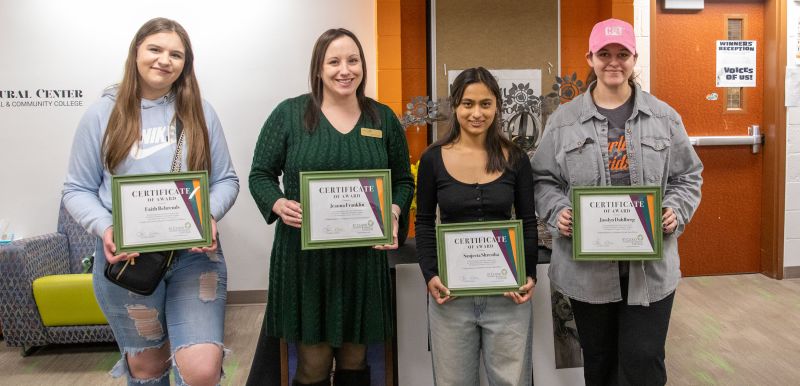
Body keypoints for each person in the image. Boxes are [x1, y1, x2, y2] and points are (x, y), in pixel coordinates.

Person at [62, 17, 239, 386]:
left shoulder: (200, 112)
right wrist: (106, 228)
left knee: (203, 370)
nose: (165, 60)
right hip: (129, 264)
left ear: (185, 64)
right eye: (155, 49)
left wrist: (207, 214)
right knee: (148, 368)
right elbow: (76, 189)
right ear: (136, 53)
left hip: (195, 259)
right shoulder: (101, 114)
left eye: (176, 54)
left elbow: (225, 180)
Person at [532, 18, 703, 386]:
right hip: (587, 271)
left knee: (644, 360)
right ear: (590, 57)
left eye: (622, 53)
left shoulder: (663, 117)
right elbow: (542, 179)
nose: (614, 61)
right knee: (600, 360)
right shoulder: (565, 121)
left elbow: (688, 176)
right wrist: (557, 212)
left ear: (634, 57)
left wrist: (676, 209)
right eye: (604, 53)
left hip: (651, 270)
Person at [248, 28, 414, 386]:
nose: (345, 70)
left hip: (362, 260)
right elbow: (260, 174)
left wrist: (396, 211)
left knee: (356, 360)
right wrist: (276, 202)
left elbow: (403, 181)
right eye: (334, 61)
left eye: (352, 60)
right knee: (312, 363)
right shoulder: (289, 115)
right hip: (305, 261)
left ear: (362, 65)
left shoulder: (382, 119)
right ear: (319, 68)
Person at [415, 67, 538, 386]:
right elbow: (425, 222)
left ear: (497, 106)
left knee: (513, 381)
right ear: (454, 106)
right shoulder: (432, 159)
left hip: (508, 296)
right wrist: (430, 275)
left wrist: (528, 274)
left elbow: (527, 221)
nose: (476, 112)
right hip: (451, 296)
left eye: (485, 103)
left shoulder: (516, 158)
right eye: (467, 103)